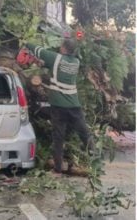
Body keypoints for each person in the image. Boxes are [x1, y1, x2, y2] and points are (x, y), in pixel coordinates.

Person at [17, 38, 92, 176]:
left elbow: (39, 50)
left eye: (61, 46)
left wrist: (26, 42)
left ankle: (58, 168)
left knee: (58, 137)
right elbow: (56, 67)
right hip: (74, 105)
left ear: (64, 48)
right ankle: (94, 159)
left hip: (58, 105)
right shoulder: (76, 62)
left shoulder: (56, 58)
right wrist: (42, 63)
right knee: (84, 133)